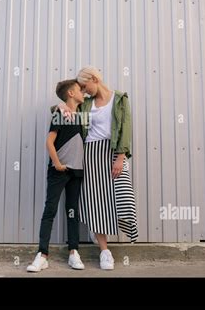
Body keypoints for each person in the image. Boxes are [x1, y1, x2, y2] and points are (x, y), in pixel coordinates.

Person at [55, 66, 138, 270]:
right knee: (98, 200)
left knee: (123, 197)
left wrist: (121, 156)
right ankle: (104, 251)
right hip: (90, 154)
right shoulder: (87, 104)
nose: (83, 91)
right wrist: (59, 106)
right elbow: (66, 110)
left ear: (94, 79)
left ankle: (103, 231)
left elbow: (126, 127)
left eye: (84, 86)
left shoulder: (119, 99)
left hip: (112, 152)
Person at [27, 79, 86, 272]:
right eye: (79, 90)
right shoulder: (60, 113)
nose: (83, 93)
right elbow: (49, 142)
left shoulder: (81, 116)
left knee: (72, 211)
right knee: (50, 210)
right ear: (70, 93)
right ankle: (42, 255)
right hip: (59, 171)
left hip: (76, 172)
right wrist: (58, 163)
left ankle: (73, 253)